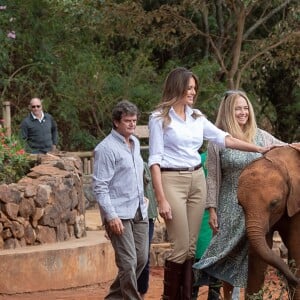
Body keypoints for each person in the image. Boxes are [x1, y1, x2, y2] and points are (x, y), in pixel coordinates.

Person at [148, 67, 273, 300]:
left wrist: (258, 148)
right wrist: (161, 198)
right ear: (177, 88)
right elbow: (154, 160)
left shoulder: (197, 118)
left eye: (195, 88)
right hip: (171, 179)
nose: (193, 92)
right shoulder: (159, 119)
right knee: (180, 246)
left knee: (192, 247)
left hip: (197, 179)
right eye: (189, 88)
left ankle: (186, 297)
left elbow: (224, 138)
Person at [193, 90, 283, 299]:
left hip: (256, 209)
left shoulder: (261, 136)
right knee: (227, 259)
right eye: (237, 109)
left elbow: (283, 148)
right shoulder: (218, 140)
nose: (243, 113)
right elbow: (213, 178)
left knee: (255, 257)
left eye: (245, 108)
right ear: (228, 112)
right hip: (228, 206)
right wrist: (212, 209)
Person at [93, 100, 149, 300]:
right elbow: (100, 186)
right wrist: (111, 216)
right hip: (118, 213)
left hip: (138, 209)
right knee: (128, 263)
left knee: (140, 259)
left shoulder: (134, 144)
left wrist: (143, 196)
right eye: (128, 121)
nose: (132, 124)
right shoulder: (105, 149)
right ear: (116, 122)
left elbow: (135, 174)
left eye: (134, 120)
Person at [192, 150, 222, 300]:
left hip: (200, 214)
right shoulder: (205, 159)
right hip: (210, 214)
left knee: (194, 271)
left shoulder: (199, 158)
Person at [137, 162, 158, 299]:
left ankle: (141, 294)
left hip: (146, 216)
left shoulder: (143, 165)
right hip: (125, 216)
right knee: (128, 259)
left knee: (143, 257)